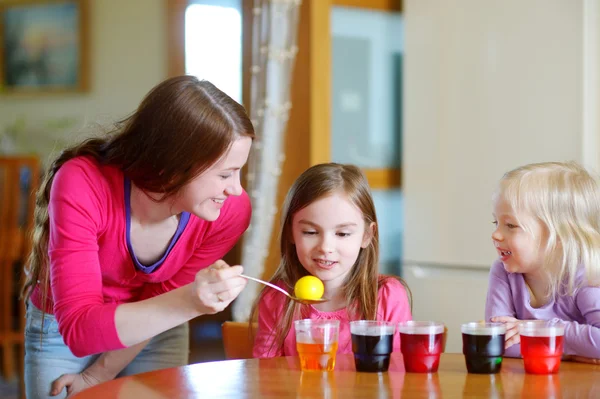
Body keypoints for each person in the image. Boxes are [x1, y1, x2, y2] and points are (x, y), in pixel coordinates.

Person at [22, 76, 254, 398]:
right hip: (62, 329)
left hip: (157, 327)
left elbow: (162, 300)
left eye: (239, 170)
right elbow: (78, 329)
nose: (236, 189)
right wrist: (190, 302)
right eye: (225, 174)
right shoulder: (82, 182)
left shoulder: (230, 211)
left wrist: (100, 374)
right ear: (174, 166)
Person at [251, 163, 412, 357]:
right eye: (310, 232)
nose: (326, 247)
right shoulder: (276, 299)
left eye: (342, 234)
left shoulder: (387, 296)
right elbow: (266, 375)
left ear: (366, 236)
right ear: (290, 233)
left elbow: (398, 372)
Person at [486, 161, 600, 362]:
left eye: (510, 225)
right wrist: (573, 350)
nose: (495, 234)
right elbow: (498, 342)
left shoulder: (585, 275)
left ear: (559, 236)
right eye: (496, 222)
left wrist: (541, 329)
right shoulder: (502, 271)